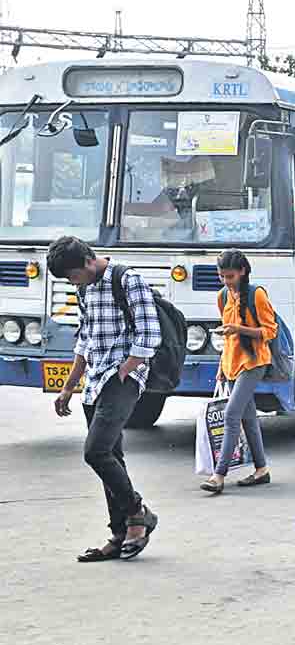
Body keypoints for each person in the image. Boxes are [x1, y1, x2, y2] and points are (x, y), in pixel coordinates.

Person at [47, 236, 161, 562]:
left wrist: (126, 369)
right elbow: (85, 337)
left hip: (123, 378)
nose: (72, 283)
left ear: (87, 261)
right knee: (111, 455)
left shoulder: (127, 279)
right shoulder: (84, 288)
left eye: (73, 276)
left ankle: (138, 513)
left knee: (95, 451)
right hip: (95, 380)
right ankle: (119, 532)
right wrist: (69, 386)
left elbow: (150, 333)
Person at [200, 249, 275, 494]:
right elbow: (228, 339)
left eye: (230, 276)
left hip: (254, 363)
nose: (226, 281)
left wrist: (238, 328)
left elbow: (269, 331)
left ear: (242, 271)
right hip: (232, 363)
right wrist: (222, 367)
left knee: (231, 415)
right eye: (222, 276)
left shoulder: (257, 295)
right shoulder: (223, 296)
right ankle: (261, 470)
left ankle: (218, 475)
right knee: (247, 418)